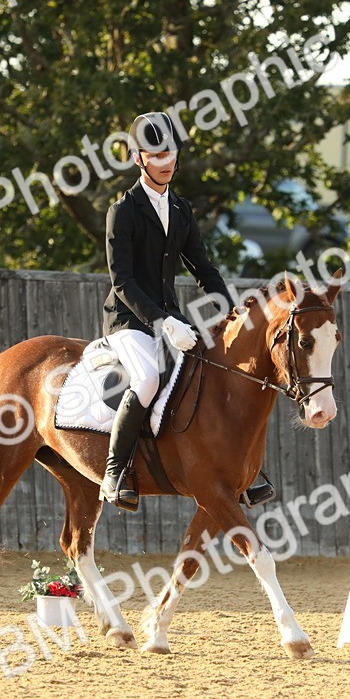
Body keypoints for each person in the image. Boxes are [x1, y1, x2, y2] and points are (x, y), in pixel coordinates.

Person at [98, 111, 275, 511]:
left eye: (171, 152)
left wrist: (232, 313)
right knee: (145, 380)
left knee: (218, 374)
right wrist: (163, 323)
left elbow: (203, 269)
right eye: (156, 154)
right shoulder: (122, 212)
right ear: (138, 158)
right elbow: (122, 281)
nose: (166, 162)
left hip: (172, 319)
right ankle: (115, 471)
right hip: (129, 320)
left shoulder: (180, 209)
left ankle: (241, 471)